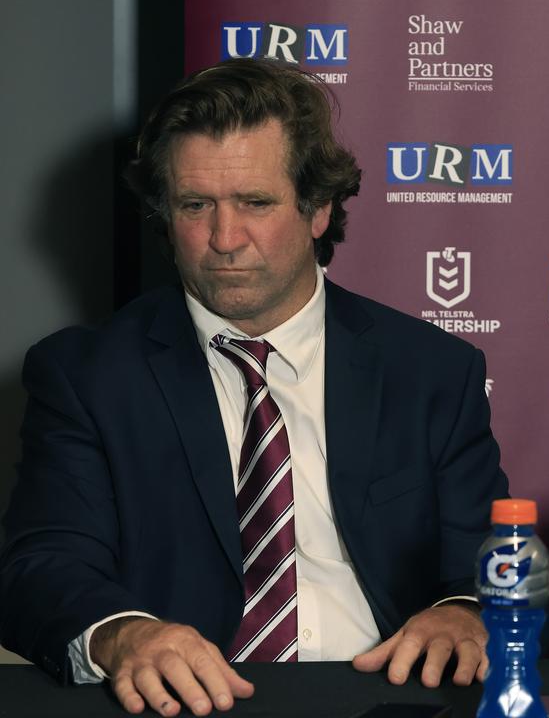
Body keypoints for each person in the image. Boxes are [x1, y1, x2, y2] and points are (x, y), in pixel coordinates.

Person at [0, 58, 507, 716]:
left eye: (255, 203)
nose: (224, 239)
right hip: (183, 704)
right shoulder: (87, 375)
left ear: (318, 209)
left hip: (387, 698)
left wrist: (463, 612)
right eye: (195, 205)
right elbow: (40, 567)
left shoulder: (431, 370)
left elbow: (491, 565)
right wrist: (124, 635)